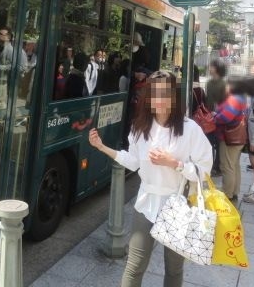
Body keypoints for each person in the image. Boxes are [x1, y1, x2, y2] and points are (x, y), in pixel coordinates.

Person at [88, 71, 212, 287]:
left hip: (178, 206)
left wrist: (175, 164)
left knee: (173, 269)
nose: (160, 100)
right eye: (155, 94)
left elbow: (205, 171)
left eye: (166, 93)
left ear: (174, 96)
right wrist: (102, 147)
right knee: (134, 265)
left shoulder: (190, 129)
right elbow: (134, 161)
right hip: (146, 203)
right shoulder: (140, 127)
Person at [214, 77, 249, 202]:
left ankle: (227, 193)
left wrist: (214, 117)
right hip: (237, 138)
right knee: (234, 165)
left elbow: (226, 117)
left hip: (229, 138)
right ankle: (234, 191)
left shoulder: (234, 99)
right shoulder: (241, 98)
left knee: (227, 166)